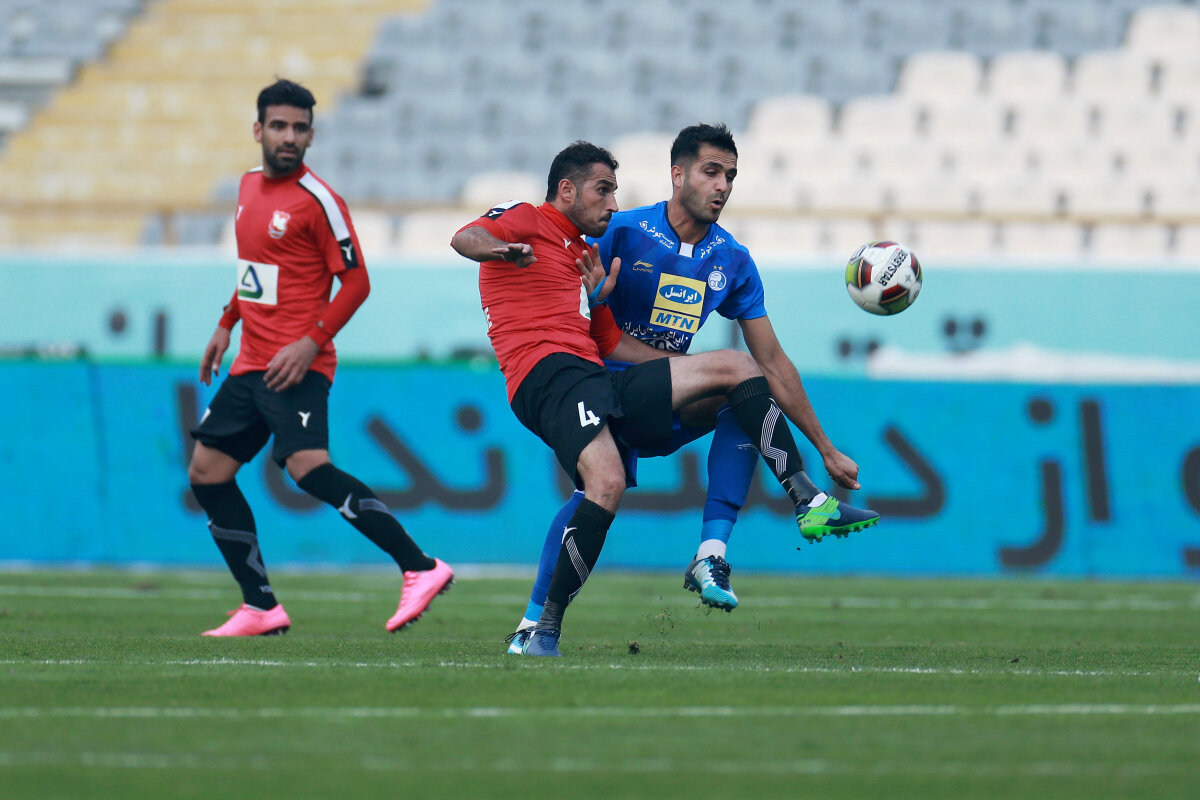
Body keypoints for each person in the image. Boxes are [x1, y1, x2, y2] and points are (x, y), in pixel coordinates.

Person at [450, 140, 877, 657]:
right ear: (678, 175)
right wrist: (498, 250)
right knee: (602, 485)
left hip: (611, 385)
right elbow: (467, 236)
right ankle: (536, 628)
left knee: (739, 381)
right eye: (711, 171)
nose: (722, 185)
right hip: (563, 380)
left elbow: (611, 338)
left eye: (731, 176)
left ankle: (723, 547)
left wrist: (824, 445)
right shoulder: (586, 229)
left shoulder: (708, 258)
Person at [187, 79, 453, 636]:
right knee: (207, 473)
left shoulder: (319, 201)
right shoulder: (247, 187)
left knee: (308, 468)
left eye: (300, 128)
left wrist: (311, 341)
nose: (289, 136)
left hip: (297, 365)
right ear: (258, 130)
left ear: (311, 135)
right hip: (250, 362)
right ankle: (261, 606)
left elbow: (357, 282)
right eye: (278, 126)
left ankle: (420, 566)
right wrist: (226, 322)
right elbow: (257, 271)